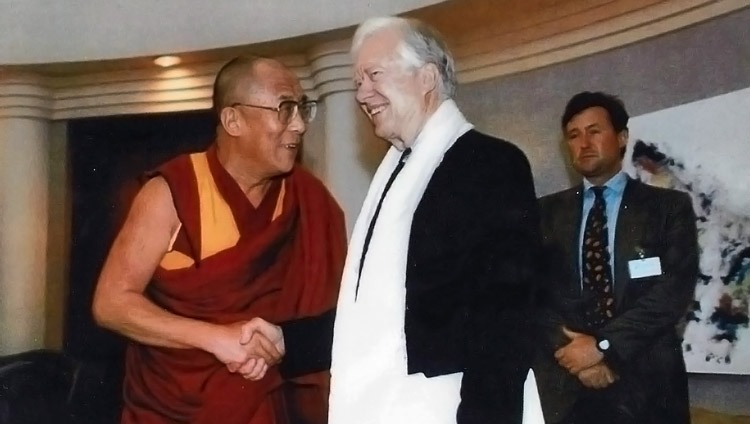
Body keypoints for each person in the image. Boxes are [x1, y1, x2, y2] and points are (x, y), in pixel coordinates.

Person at [242, 16, 544, 424]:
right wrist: (287, 340)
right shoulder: (396, 172)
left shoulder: (489, 164)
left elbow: (505, 318)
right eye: (357, 82)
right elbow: (384, 316)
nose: (362, 94)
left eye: (374, 75)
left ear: (427, 78)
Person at [91, 56, 347, 424]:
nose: (299, 125)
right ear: (233, 120)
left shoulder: (307, 199)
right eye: (285, 109)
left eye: (302, 108)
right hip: (170, 405)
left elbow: (332, 315)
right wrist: (216, 338)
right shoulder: (172, 191)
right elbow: (111, 303)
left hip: (265, 399)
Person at [533, 91, 698, 424]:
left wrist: (603, 347)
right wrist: (577, 355)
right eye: (573, 135)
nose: (583, 143)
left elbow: (672, 292)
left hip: (649, 386)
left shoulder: (668, 208)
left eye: (594, 131)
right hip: (568, 388)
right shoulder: (543, 213)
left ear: (622, 137)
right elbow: (533, 293)